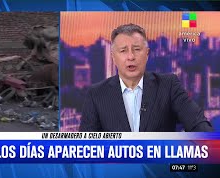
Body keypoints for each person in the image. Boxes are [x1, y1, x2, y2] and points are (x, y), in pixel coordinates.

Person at [79, 23, 213, 132]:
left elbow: (197, 124)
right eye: (123, 51)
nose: (131, 57)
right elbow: (85, 147)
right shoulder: (96, 94)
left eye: (137, 49)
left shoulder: (169, 85)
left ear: (147, 53)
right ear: (113, 56)